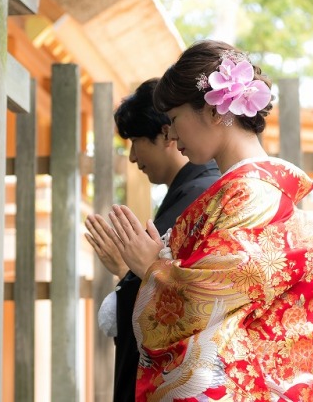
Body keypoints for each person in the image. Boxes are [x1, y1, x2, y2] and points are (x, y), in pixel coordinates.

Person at [100, 40, 313, 401]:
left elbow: (201, 304)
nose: (170, 134)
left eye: (174, 119)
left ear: (215, 112)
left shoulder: (251, 197)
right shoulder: (241, 193)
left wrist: (152, 267)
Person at [84, 79, 220, 402]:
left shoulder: (199, 195)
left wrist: (135, 275)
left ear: (165, 134)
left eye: (135, 141)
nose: (131, 157)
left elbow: (189, 297)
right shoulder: (188, 191)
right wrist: (127, 272)